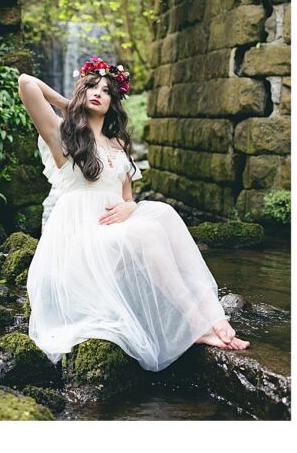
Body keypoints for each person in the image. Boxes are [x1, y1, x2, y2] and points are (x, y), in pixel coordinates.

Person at [17, 57, 248, 373]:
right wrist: (70, 104)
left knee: (162, 213)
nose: (98, 93)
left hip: (112, 239)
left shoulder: (119, 145)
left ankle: (210, 317)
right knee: (148, 232)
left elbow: (127, 199)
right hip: (79, 243)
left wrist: (132, 206)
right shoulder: (63, 135)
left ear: (114, 102)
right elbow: (27, 83)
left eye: (106, 90)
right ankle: (196, 324)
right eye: (92, 87)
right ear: (81, 91)